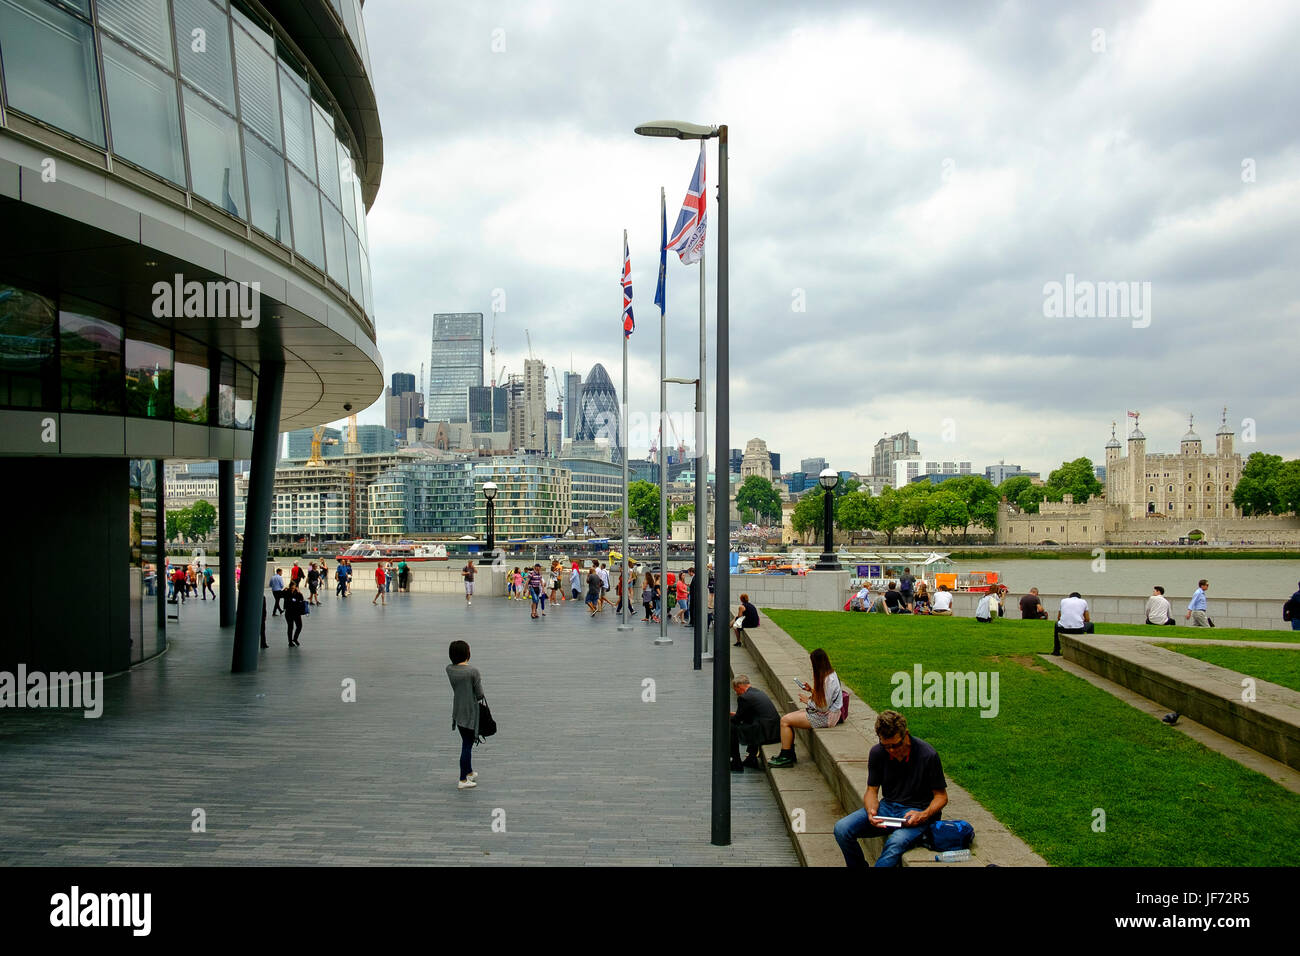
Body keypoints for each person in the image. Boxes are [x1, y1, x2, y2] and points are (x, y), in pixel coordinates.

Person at [832, 710, 948, 868]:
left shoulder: (927, 755)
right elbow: (871, 791)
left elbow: (941, 797)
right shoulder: (877, 753)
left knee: (895, 843)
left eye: (896, 745)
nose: (892, 750)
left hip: (918, 813)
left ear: (906, 734)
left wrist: (923, 814)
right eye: (886, 746)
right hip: (888, 807)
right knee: (841, 829)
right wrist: (871, 811)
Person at [769, 648, 842, 768]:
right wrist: (811, 690)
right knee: (788, 718)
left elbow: (823, 707)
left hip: (827, 717)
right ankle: (788, 753)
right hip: (827, 714)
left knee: (785, 720)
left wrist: (807, 701)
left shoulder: (829, 680)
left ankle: (786, 756)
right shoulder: (829, 675)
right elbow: (824, 697)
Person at [446, 640, 485, 790]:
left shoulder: (449, 669)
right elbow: (480, 694)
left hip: (458, 710)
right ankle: (463, 779)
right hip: (470, 712)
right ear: (467, 653)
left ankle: (468, 771)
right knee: (467, 745)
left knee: (465, 741)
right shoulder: (472, 671)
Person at [730, 675, 780, 772]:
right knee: (751, 725)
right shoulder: (757, 692)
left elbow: (737, 720)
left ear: (739, 686)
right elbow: (750, 715)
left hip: (765, 733)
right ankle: (751, 758)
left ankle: (736, 761)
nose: (736, 693)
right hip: (773, 730)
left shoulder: (744, 697)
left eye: (735, 690)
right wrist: (737, 715)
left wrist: (730, 717)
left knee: (731, 726)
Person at [284, 580, 306, 646]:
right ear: (290, 587)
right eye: (292, 588)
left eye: (294, 587)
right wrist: (284, 590)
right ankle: (290, 642)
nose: (293, 589)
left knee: (299, 626)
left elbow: (302, 600)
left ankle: (295, 638)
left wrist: (300, 593)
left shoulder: (297, 593)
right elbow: (284, 597)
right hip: (289, 612)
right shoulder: (287, 592)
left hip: (296, 612)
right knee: (290, 627)